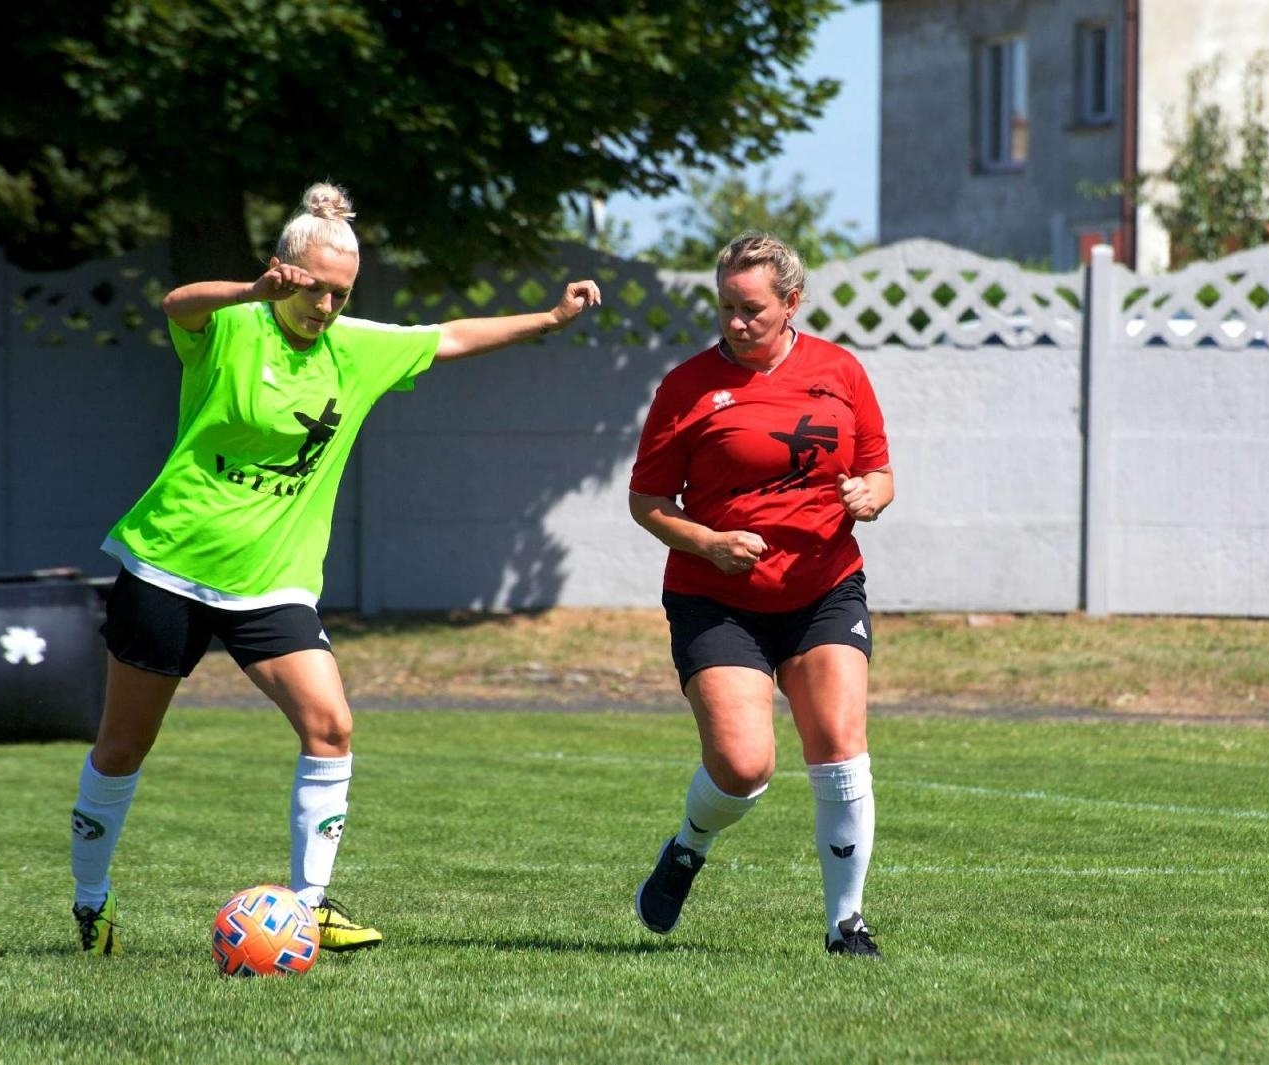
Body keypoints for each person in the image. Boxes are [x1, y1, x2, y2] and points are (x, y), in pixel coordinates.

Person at [68, 181, 601, 955]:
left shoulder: (355, 348)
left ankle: (310, 905)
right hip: (167, 567)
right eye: (314, 288)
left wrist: (550, 318)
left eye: (340, 294)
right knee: (123, 748)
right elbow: (177, 302)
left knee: (331, 725)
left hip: (272, 583)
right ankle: (91, 901)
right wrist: (249, 291)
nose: (325, 306)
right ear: (283, 270)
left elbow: (448, 336)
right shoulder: (234, 326)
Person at [627, 233, 894, 957]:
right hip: (717, 599)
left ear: (791, 303)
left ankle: (846, 923)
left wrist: (872, 494)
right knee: (745, 766)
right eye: (726, 308)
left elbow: (879, 474)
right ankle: (688, 846)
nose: (736, 322)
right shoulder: (685, 388)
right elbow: (647, 501)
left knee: (838, 745)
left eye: (751, 309)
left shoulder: (841, 371)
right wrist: (710, 541)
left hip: (824, 589)